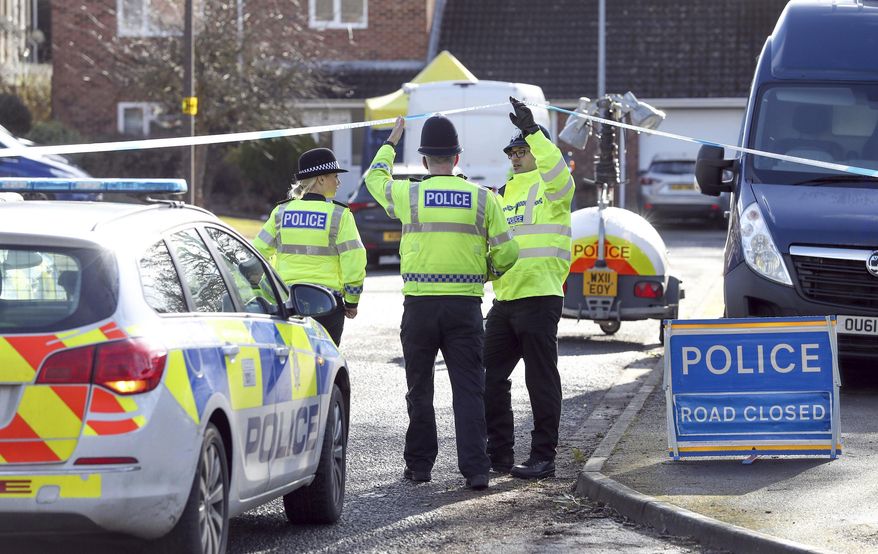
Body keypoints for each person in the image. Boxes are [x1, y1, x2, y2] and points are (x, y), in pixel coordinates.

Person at [365, 115, 518, 491]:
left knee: (420, 388)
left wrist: (391, 140)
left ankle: (419, 466)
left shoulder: (409, 195)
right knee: (468, 388)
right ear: (457, 157)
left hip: (419, 307)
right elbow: (509, 252)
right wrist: (488, 273)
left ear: (423, 162)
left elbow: (373, 178)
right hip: (464, 308)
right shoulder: (484, 199)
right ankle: (476, 470)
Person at [484, 97, 575, 479]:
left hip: (540, 296)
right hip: (505, 299)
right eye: (513, 151)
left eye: (522, 150)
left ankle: (543, 457)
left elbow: (557, 170)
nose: (517, 156)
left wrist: (535, 132)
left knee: (540, 380)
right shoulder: (503, 193)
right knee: (488, 378)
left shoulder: (554, 186)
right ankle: (500, 455)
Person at [253, 147, 366, 345]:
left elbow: (257, 253)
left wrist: (260, 292)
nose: (338, 182)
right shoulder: (339, 215)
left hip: (287, 303)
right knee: (325, 368)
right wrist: (352, 302)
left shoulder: (281, 212)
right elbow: (354, 260)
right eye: (334, 176)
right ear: (321, 179)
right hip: (326, 305)